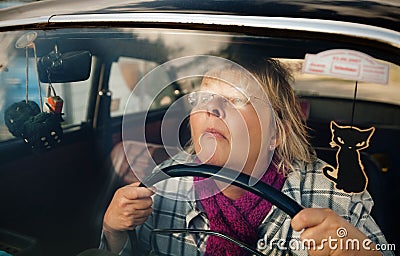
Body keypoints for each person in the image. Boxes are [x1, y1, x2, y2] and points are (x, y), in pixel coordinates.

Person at [100, 58, 393, 256]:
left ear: (275, 134)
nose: (212, 108)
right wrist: (112, 231)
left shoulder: (335, 195)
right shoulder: (163, 184)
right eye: (202, 98)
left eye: (237, 100)